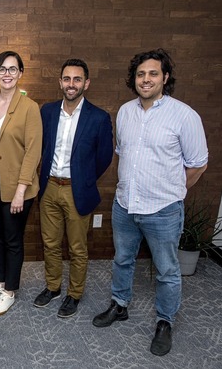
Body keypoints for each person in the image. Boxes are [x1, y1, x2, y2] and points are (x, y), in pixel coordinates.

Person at [92, 49, 208, 356]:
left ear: (165, 78)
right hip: (125, 206)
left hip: (163, 211)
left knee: (167, 270)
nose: (146, 79)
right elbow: (123, 156)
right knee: (122, 260)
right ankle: (119, 305)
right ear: (134, 79)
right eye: (141, 74)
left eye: (153, 73)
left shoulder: (184, 115)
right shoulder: (126, 112)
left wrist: (173, 192)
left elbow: (198, 164)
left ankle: (164, 322)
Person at [34, 59, 113, 318]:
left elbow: (104, 158)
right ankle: (53, 287)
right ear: (60, 82)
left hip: (77, 190)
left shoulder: (99, 118)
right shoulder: (47, 111)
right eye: (67, 79)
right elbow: (41, 147)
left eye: (77, 79)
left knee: (78, 248)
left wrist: (84, 179)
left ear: (86, 83)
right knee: (51, 243)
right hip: (49, 188)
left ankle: (74, 294)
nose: (71, 84)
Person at [0, 51, 43, 316]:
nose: (7, 74)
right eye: (2, 69)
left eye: (13, 69)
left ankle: (10, 291)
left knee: (13, 238)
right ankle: (1, 282)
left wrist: (21, 191)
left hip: (17, 183)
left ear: (20, 73)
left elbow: (33, 152)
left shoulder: (29, 107)